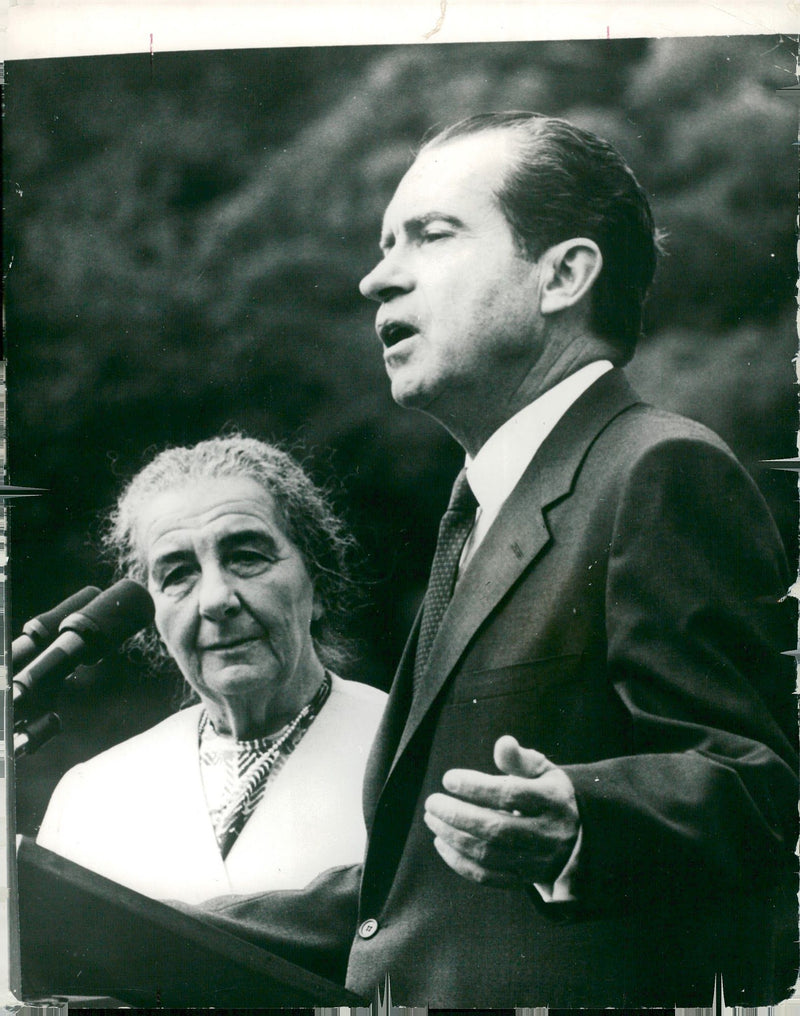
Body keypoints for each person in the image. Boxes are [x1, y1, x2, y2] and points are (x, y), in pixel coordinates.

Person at [196, 113, 798, 1007]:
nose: (376, 277)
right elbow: (406, 904)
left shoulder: (657, 469)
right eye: (382, 243)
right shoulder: (483, 510)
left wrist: (579, 820)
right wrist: (99, 919)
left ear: (563, 275)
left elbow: (755, 788)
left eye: (431, 236)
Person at [36, 435, 387, 905]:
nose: (217, 599)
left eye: (247, 557)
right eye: (179, 573)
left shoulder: (409, 755)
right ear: (152, 618)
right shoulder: (90, 798)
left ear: (318, 584)